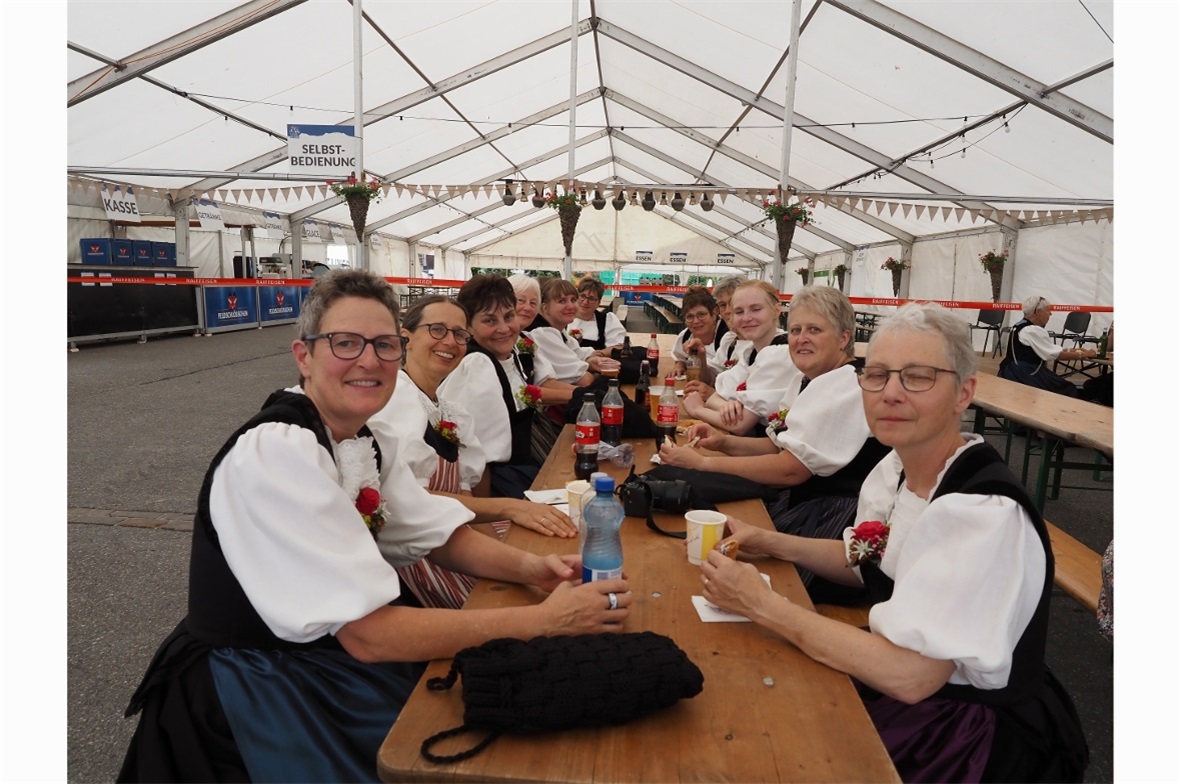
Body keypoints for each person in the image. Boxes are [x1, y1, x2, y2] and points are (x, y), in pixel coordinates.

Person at [118, 270, 630, 783]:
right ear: (304, 356)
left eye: (384, 345)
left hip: (327, 660)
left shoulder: (363, 437)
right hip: (263, 686)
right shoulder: (278, 451)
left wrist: (534, 568)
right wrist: (542, 622)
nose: (369, 360)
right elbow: (370, 636)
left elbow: (438, 534)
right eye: (346, 343)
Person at [699, 302, 1088, 783]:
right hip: (906, 681)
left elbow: (911, 676)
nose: (891, 393)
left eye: (919, 377)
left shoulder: (981, 513)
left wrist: (762, 603)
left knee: (759, 744)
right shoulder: (897, 469)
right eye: (878, 375)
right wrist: (772, 542)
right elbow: (866, 559)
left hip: (960, 730)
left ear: (964, 392)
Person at [663, 286, 888, 600]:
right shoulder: (806, 378)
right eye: (796, 330)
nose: (800, 338)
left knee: (730, 569)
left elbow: (790, 471)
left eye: (814, 329)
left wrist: (703, 463)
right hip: (803, 501)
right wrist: (722, 444)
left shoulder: (846, 385)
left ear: (843, 338)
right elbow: (776, 446)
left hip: (834, 520)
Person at [367, 294, 577, 608]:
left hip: (457, 535)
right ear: (405, 338)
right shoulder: (397, 401)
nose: (450, 342)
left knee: (562, 546)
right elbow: (411, 503)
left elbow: (470, 490)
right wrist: (510, 509)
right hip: (421, 555)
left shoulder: (447, 409)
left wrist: (500, 535)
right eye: (437, 330)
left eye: (459, 334)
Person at [441, 274, 569, 498]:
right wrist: (488, 521)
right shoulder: (477, 364)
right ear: (468, 327)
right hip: (502, 487)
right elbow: (477, 461)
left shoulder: (507, 356)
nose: (504, 328)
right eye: (490, 320)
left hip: (518, 474)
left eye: (509, 316)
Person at [681, 280, 793, 436]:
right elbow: (716, 394)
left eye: (756, 309)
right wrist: (728, 405)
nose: (746, 318)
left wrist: (697, 410)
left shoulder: (782, 352)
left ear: (776, 310)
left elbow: (739, 424)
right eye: (739, 312)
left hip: (773, 449)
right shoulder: (751, 351)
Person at [998, 295, 1097, 397]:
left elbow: (1045, 347)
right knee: (1067, 390)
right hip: (1025, 374)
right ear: (1038, 312)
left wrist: (1073, 350)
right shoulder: (1032, 330)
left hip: (1011, 371)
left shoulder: (1019, 326)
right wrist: (1084, 355)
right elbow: (1056, 355)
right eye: (1047, 310)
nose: (1050, 313)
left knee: (1063, 386)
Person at [526, 277, 618, 384]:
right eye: (562, 301)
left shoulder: (559, 331)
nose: (570, 306)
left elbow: (578, 353)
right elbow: (585, 379)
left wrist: (591, 361)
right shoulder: (542, 333)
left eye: (573, 300)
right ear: (544, 307)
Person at [687, 274, 747, 399]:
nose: (727, 311)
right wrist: (701, 358)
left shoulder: (766, 344)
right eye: (722, 305)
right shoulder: (729, 340)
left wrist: (712, 395)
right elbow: (710, 379)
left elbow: (754, 403)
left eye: (732, 303)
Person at [670, 286, 727, 377]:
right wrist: (680, 365)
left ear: (715, 312)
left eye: (701, 315)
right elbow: (680, 357)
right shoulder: (685, 336)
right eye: (690, 317)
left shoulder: (727, 337)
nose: (696, 321)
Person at [568, 276, 626, 354]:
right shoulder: (563, 318)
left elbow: (619, 347)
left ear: (598, 303)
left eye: (591, 299)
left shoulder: (607, 320)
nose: (585, 302)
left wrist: (594, 355)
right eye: (582, 296)